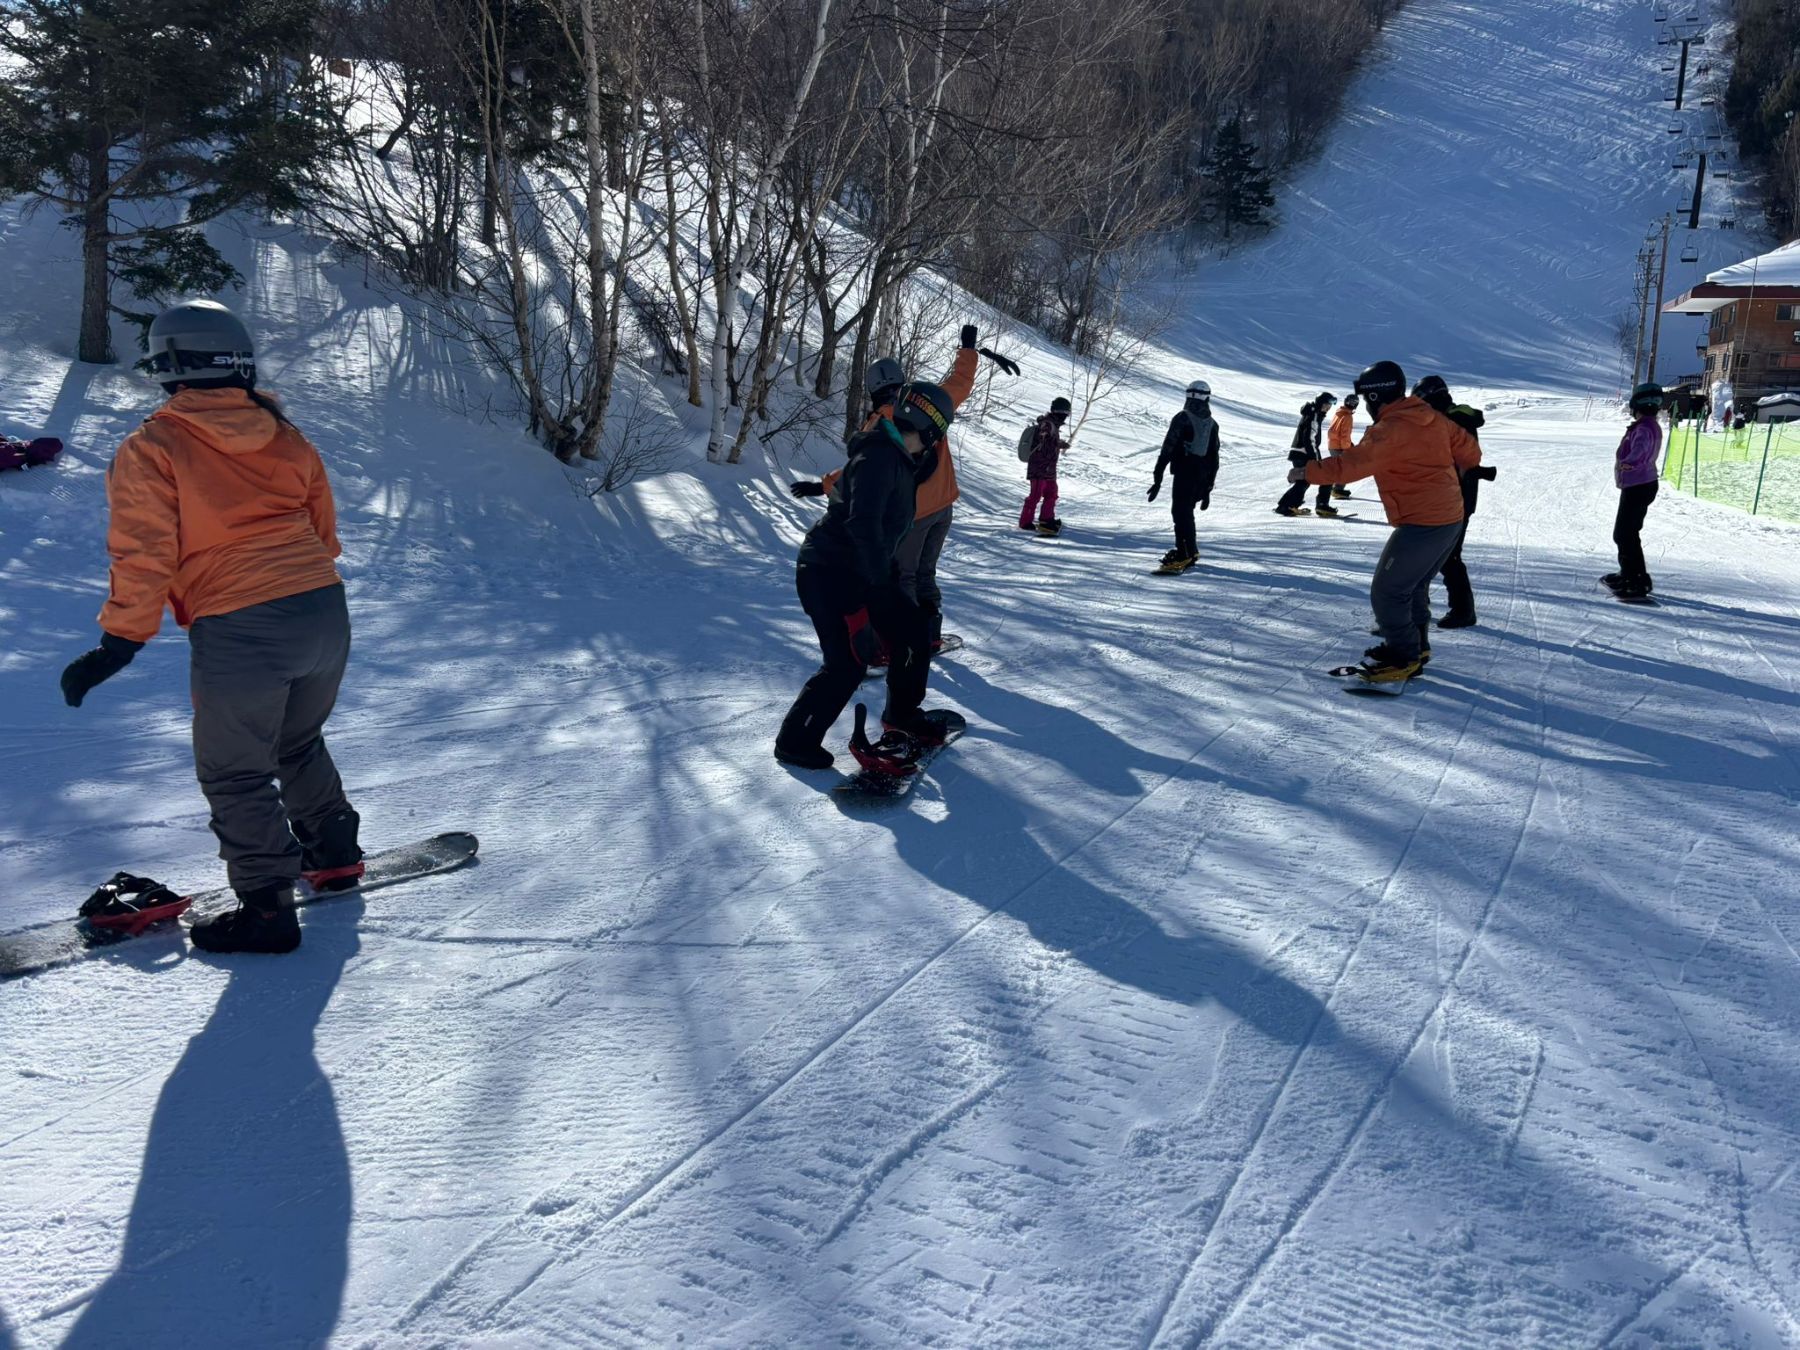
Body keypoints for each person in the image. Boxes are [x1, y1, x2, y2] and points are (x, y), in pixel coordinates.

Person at [58, 300, 362, 954]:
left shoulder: (154, 447)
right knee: (296, 740)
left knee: (235, 771)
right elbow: (324, 533)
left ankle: (268, 913)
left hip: (244, 621)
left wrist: (118, 643)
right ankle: (334, 854)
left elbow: (144, 553)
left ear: (170, 367)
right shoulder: (284, 434)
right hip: (323, 608)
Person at [775, 383, 959, 770]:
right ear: (931, 429)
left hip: (861, 571)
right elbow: (863, 524)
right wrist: (871, 592)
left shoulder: (897, 457)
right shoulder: (880, 456)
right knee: (847, 663)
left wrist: (885, 582)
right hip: (830, 572)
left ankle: (902, 716)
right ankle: (795, 742)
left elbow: (880, 531)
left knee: (912, 630)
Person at [1294, 360, 1481, 681]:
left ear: (1375, 396)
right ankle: (1417, 646)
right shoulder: (1429, 416)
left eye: (1365, 398)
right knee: (1413, 585)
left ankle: (1403, 655)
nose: (1365, 405)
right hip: (1450, 517)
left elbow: (1350, 466)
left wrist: (1305, 472)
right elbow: (1470, 451)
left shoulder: (1390, 429)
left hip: (1425, 522)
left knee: (1387, 591)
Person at [1412, 375, 1492, 628]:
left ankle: (1463, 610)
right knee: (1432, 554)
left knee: (1446, 555)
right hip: (1448, 497)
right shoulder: (1450, 417)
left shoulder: (1455, 420)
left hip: (1454, 498)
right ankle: (1421, 607)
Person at [1148, 380, 1221, 568]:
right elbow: (1214, 457)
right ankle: (1190, 551)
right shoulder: (1212, 424)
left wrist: (1158, 478)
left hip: (1185, 472)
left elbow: (1168, 449)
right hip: (1202, 474)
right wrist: (1208, 486)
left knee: (1180, 512)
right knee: (1186, 511)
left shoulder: (1182, 418)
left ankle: (1184, 553)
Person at [1604, 383, 1665, 599]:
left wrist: (1629, 463)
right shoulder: (1648, 425)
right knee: (1627, 532)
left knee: (1624, 533)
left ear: (1635, 406)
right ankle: (1630, 574)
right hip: (1641, 484)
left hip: (1638, 486)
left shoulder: (1643, 428)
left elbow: (1640, 449)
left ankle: (1636, 581)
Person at [1275, 392, 1339, 517]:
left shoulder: (1312, 413)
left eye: (1330, 405)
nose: (1329, 407)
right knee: (1325, 475)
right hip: (1304, 453)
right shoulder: (1313, 415)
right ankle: (1321, 505)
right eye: (1327, 404)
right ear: (1321, 404)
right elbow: (1309, 439)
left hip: (1300, 453)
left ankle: (1286, 505)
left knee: (1304, 481)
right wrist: (1315, 459)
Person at [1019, 397, 1072, 534]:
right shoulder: (1047, 424)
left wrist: (1059, 444)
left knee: (1052, 493)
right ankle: (1025, 522)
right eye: (1065, 413)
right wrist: (1057, 443)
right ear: (1058, 412)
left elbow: (1048, 442)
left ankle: (1046, 519)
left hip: (1049, 468)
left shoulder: (1054, 425)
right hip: (1039, 467)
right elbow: (1043, 441)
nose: (1066, 416)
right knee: (1035, 495)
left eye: (1067, 413)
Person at [1326, 394, 1357, 500]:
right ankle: (1337, 490)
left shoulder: (1339, 413)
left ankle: (1335, 488)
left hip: (1332, 445)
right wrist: (1347, 449)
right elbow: (1345, 435)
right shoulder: (1347, 416)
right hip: (1339, 446)